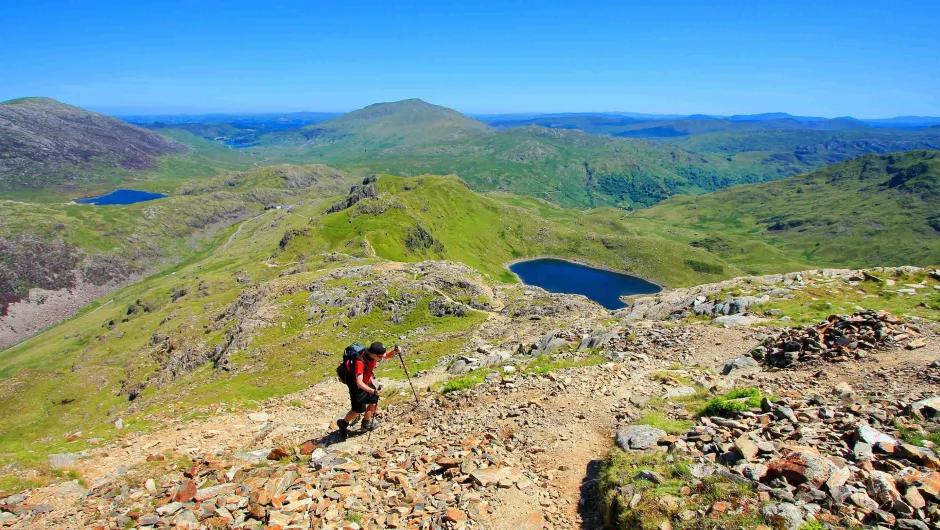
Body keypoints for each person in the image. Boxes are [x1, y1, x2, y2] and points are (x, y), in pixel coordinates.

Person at [337, 342, 400, 440]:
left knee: (373, 402)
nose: (381, 357)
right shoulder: (360, 362)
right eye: (379, 356)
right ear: (373, 354)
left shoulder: (374, 355)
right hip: (356, 387)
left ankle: (365, 425)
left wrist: (394, 352)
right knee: (357, 411)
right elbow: (359, 382)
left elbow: (386, 355)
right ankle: (343, 423)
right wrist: (372, 391)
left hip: (366, 382)